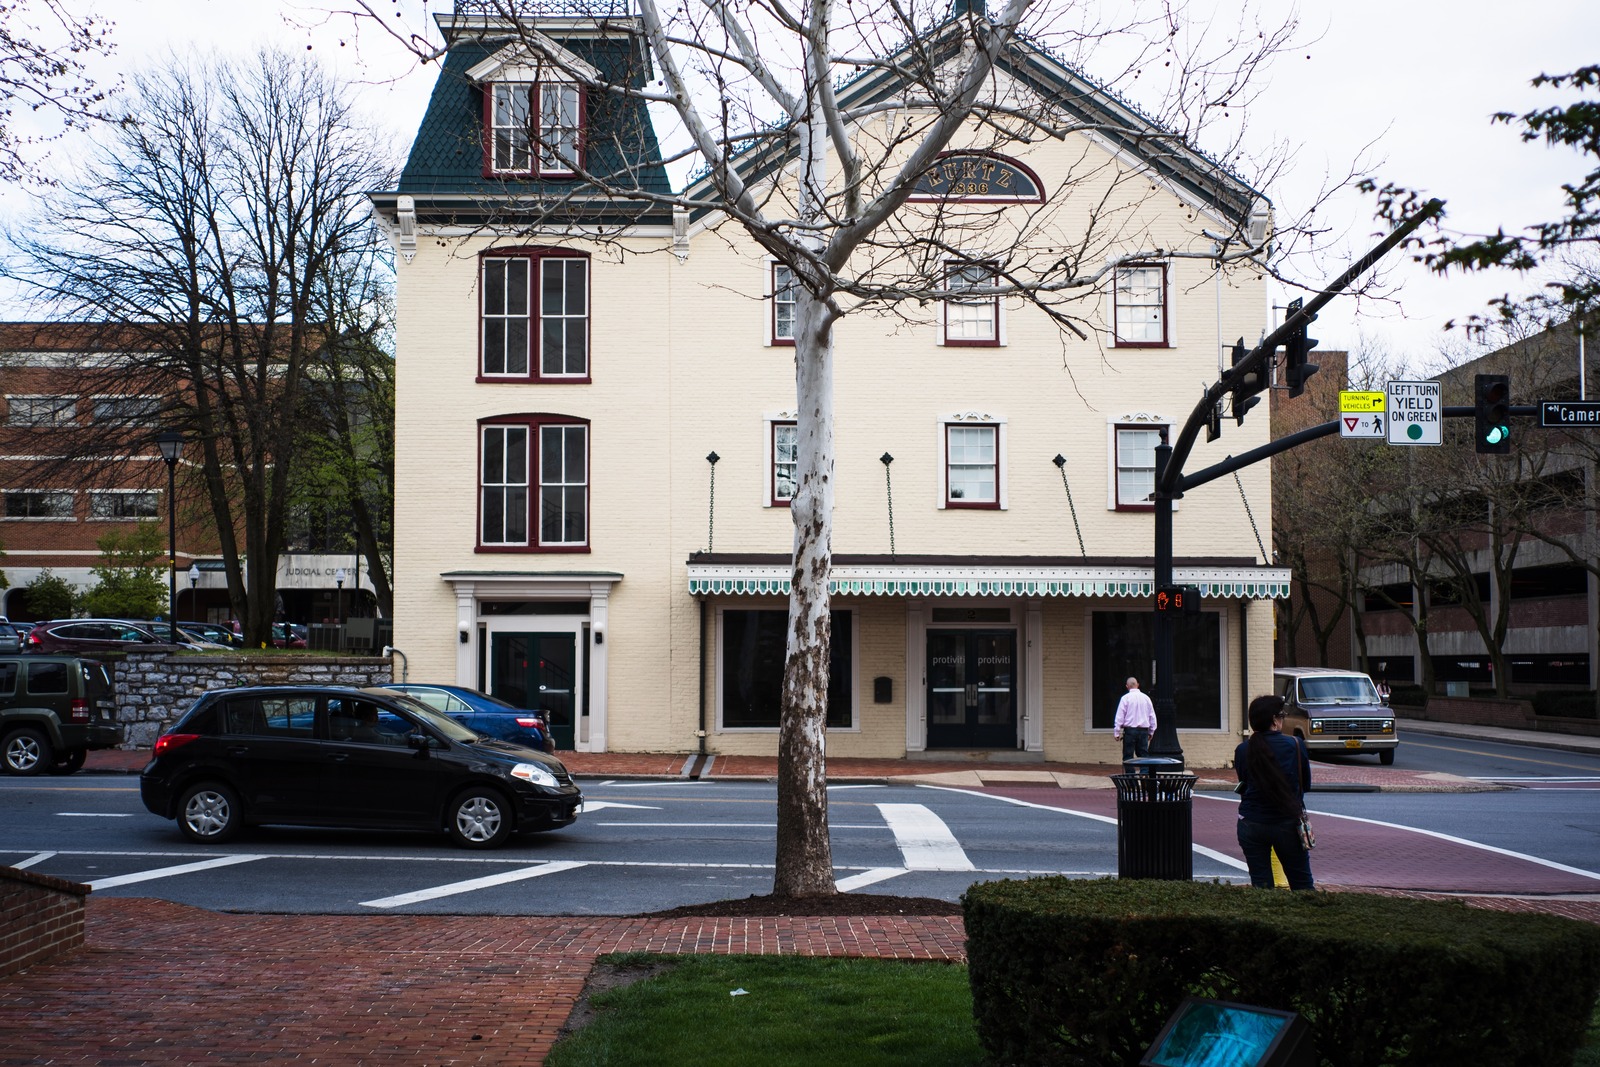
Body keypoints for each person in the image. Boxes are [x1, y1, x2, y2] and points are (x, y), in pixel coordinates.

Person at [1233, 694, 1314, 890]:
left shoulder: (1243, 750)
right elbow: (1306, 784)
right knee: (1302, 884)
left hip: (1251, 822)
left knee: (1261, 885)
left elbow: (1243, 781)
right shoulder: (1295, 745)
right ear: (1275, 720)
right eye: (1282, 715)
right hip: (1287, 822)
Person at [1112, 677, 1157, 761]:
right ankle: (1144, 772)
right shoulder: (1146, 698)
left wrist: (1116, 732)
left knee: (1128, 755)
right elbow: (1152, 716)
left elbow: (1120, 716)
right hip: (1143, 730)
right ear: (1138, 685)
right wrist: (1151, 731)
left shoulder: (1125, 698)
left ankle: (1130, 773)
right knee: (1144, 755)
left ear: (1127, 686)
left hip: (1130, 731)